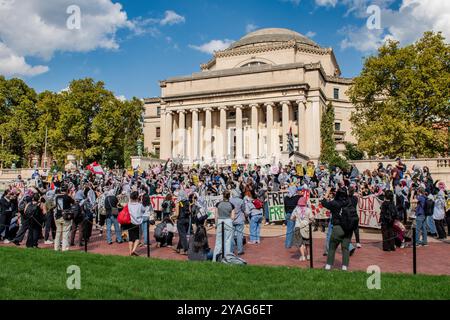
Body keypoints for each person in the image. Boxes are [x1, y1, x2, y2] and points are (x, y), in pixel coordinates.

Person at [321, 187, 352, 271]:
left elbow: (323, 203)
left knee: (332, 247)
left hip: (337, 227)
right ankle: (344, 267)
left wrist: (327, 191)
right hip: (348, 228)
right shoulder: (350, 202)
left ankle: (328, 265)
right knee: (345, 248)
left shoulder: (334, 203)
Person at [213, 190, 235, 261]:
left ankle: (215, 258)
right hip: (228, 221)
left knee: (218, 241)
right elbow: (233, 217)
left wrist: (216, 224)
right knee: (228, 241)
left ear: (223, 196)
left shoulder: (218, 204)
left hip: (220, 221)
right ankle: (227, 258)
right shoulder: (231, 205)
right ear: (229, 196)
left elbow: (216, 215)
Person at [291, 195, 313, 261]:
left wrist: (296, 218)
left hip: (298, 227)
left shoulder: (296, 210)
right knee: (307, 242)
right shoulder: (308, 210)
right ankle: (308, 255)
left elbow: (291, 218)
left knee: (299, 242)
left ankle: (303, 256)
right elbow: (312, 218)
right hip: (306, 227)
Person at [123, 191, 145, 256]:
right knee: (137, 238)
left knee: (131, 238)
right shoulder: (140, 205)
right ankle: (133, 250)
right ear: (137, 197)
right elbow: (144, 210)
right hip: (137, 223)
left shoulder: (129, 204)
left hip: (130, 222)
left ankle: (130, 252)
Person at [54, 185, 74, 251]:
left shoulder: (57, 197)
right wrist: (70, 195)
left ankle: (56, 247)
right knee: (66, 233)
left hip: (58, 216)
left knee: (58, 233)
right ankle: (64, 248)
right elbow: (73, 202)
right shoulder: (67, 197)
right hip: (65, 216)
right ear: (67, 191)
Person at [230, 189, 245, 255]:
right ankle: (240, 250)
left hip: (232, 219)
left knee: (231, 236)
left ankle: (231, 250)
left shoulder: (230, 200)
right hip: (239, 219)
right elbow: (244, 209)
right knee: (239, 235)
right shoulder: (241, 201)